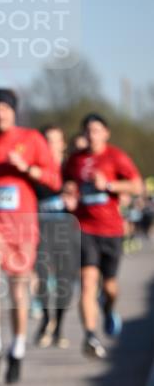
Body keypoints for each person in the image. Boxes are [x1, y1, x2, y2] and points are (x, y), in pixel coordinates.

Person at [0, 89, 60, 384]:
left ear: (14, 111)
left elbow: (54, 180)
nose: (0, 113)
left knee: (17, 292)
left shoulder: (31, 140)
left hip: (23, 226)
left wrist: (27, 168)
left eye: (5, 108)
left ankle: (16, 350)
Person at [63, 113, 142, 358]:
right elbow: (65, 182)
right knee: (87, 283)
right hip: (84, 228)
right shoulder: (75, 160)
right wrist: (68, 192)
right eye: (87, 131)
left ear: (106, 133)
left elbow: (137, 185)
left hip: (111, 229)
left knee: (109, 287)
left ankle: (108, 310)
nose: (91, 135)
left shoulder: (115, 156)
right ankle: (90, 336)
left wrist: (109, 185)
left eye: (96, 130)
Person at [34, 126, 80, 349]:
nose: (51, 145)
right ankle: (45, 318)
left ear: (63, 144)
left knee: (65, 280)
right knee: (41, 276)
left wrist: (75, 200)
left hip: (66, 228)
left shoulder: (71, 168)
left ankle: (59, 326)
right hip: (40, 227)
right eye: (47, 141)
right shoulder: (37, 170)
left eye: (55, 141)